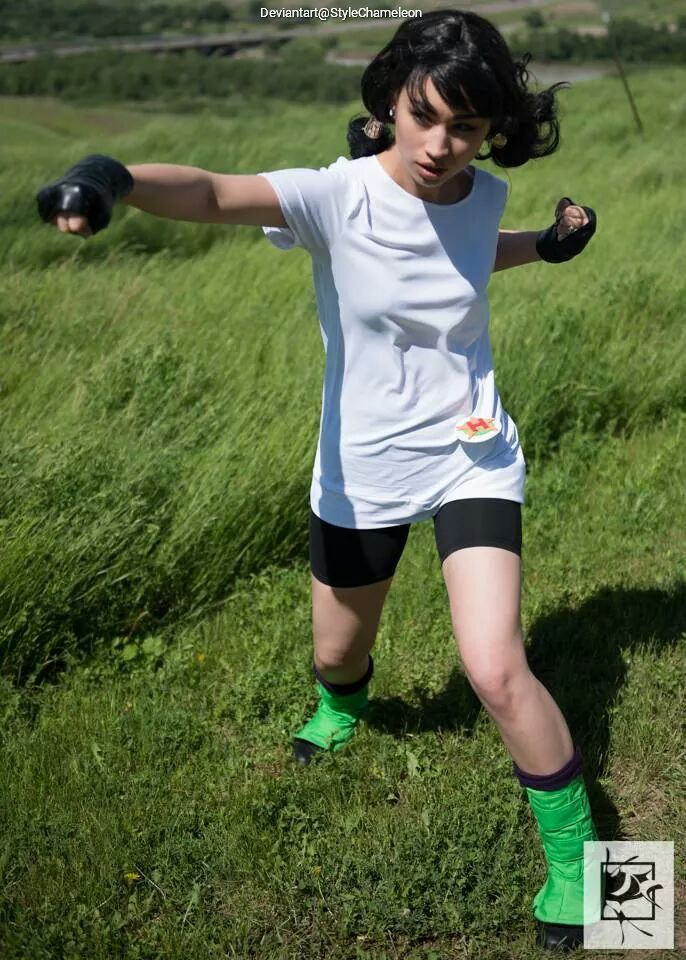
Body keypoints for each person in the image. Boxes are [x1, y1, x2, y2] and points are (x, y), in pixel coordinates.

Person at [36, 8, 600, 950]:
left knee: (496, 665)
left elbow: (466, 255)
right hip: (362, 469)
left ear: (492, 128)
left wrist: (542, 243)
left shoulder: (486, 193)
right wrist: (114, 178)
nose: (441, 145)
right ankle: (342, 705)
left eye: (466, 128)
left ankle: (586, 871)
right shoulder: (334, 197)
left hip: (471, 453)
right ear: (391, 102)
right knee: (339, 654)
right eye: (426, 117)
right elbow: (215, 193)